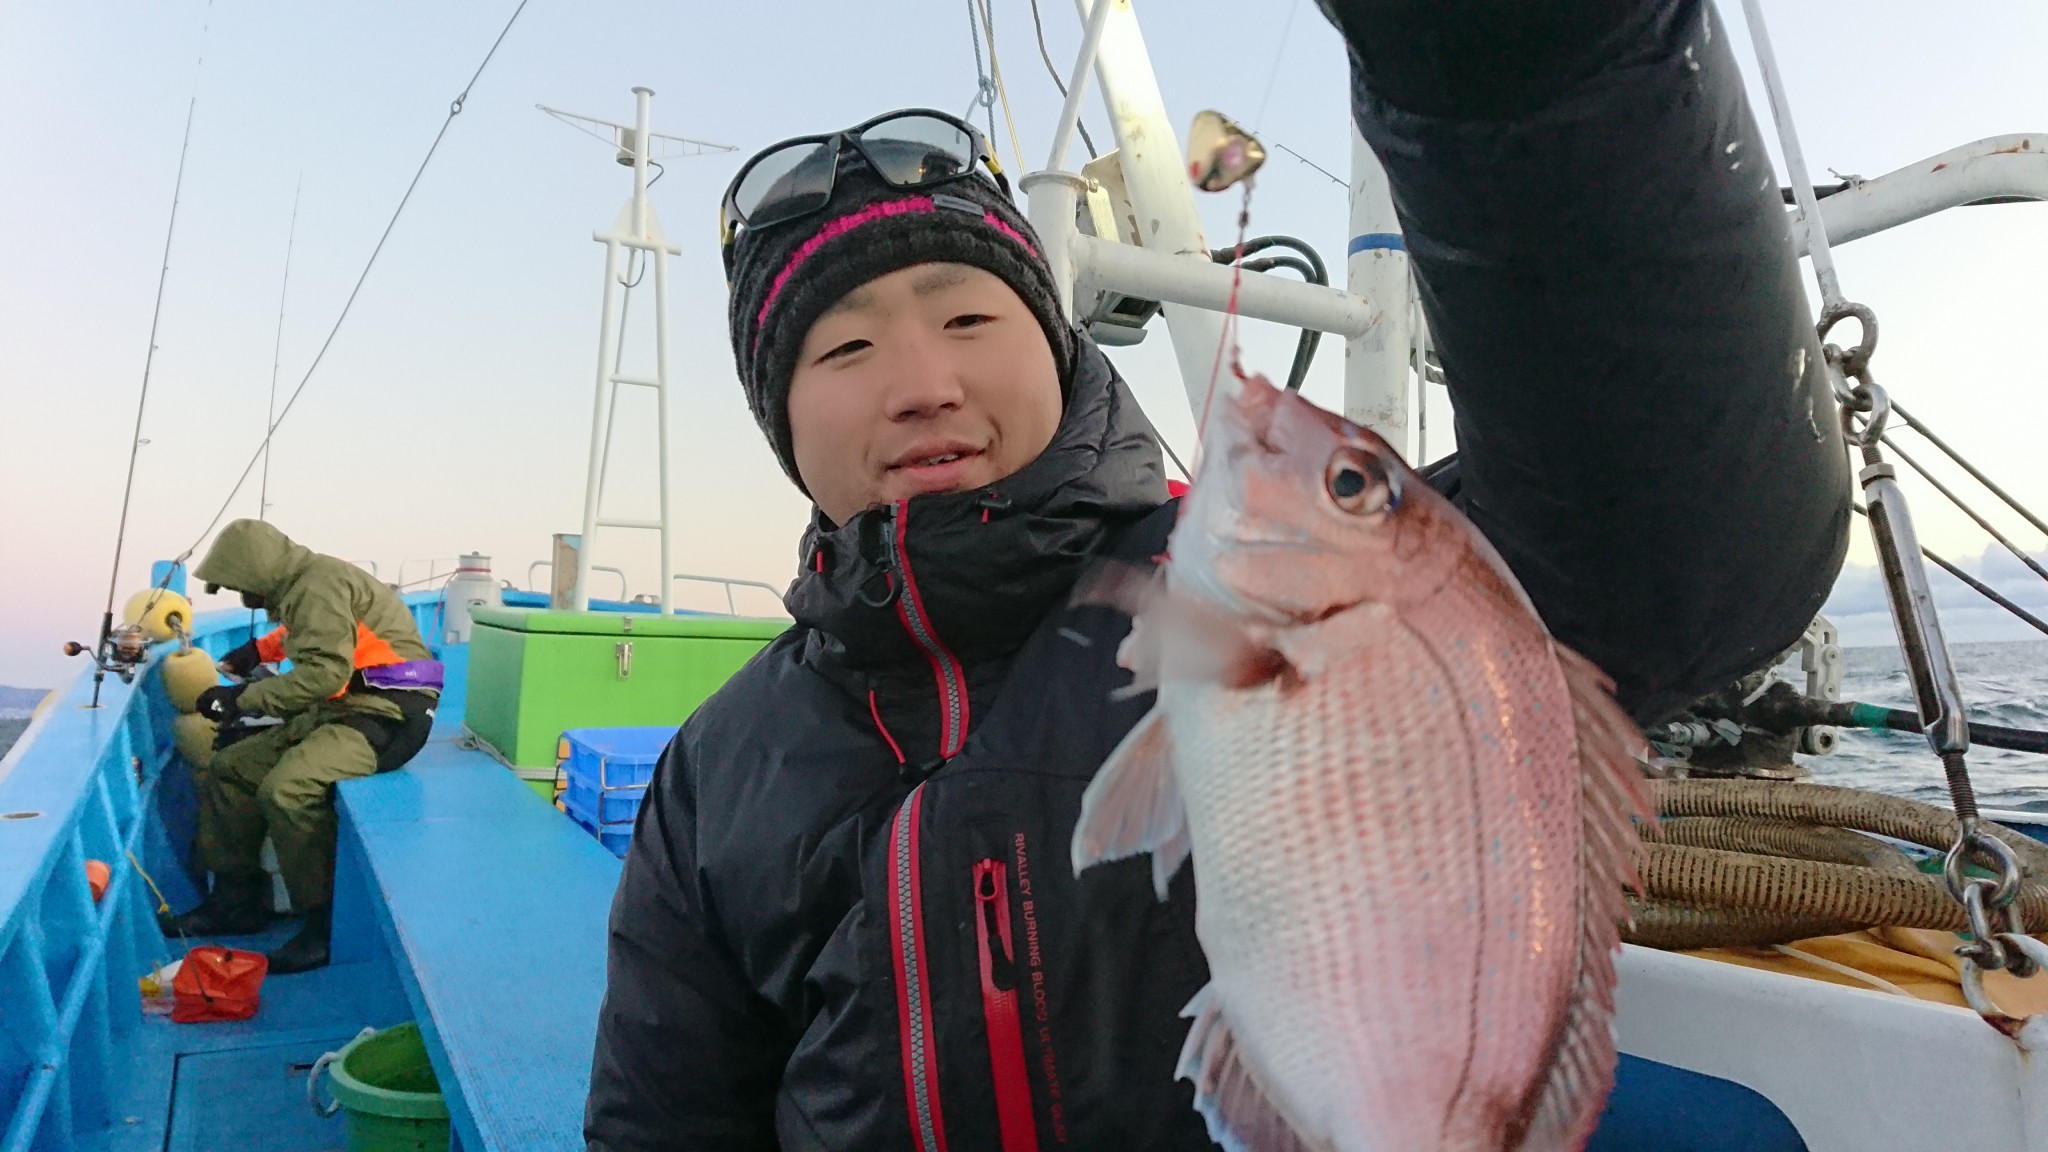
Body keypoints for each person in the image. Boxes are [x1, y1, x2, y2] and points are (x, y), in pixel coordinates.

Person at [585, 1, 1851, 1147]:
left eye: (967, 317)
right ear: (782, 421)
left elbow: (1670, 539)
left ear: (1056, 347)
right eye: (845, 349)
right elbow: (665, 1122)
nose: (923, 382)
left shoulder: (1349, 596)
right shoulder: (715, 771)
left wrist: (1505, 55)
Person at [163, 519, 442, 974]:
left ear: (256, 571)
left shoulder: (317, 585)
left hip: (388, 715)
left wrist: (240, 699)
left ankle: (322, 927)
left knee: (288, 789)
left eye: (240, 586)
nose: (242, 596)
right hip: (343, 706)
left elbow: (325, 675)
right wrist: (259, 652)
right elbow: (313, 632)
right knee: (232, 767)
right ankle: (235, 903)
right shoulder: (306, 581)